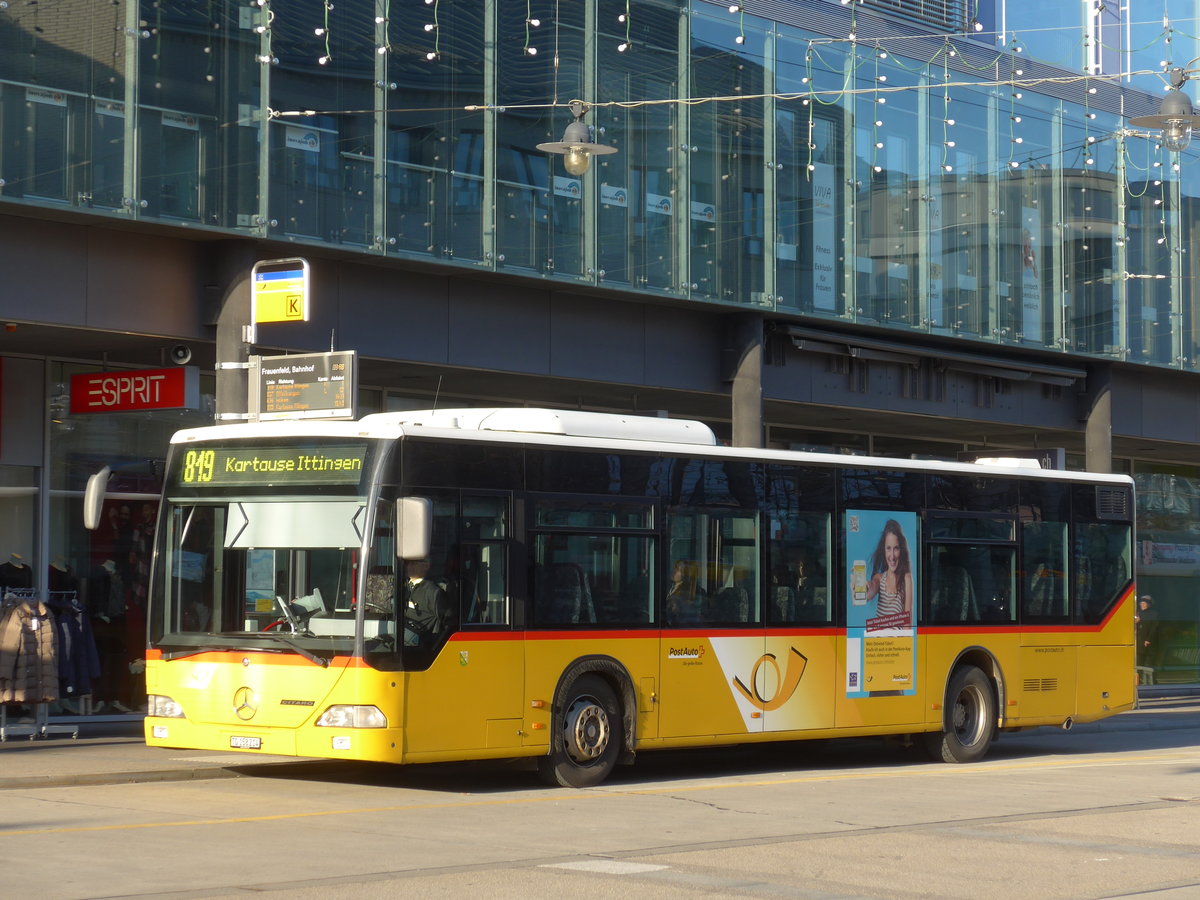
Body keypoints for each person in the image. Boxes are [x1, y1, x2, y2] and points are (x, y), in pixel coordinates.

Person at [863, 519, 913, 616]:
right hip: (879, 631)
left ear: (901, 550)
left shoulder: (906, 579)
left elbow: (907, 625)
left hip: (898, 632)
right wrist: (864, 588)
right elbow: (871, 591)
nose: (892, 556)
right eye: (888, 548)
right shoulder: (879, 578)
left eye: (896, 548)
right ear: (884, 550)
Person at [402, 558, 449, 648]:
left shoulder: (433, 593)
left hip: (418, 646)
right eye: (408, 563)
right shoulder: (402, 586)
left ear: (426, 566)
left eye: (413, 563)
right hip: (399, 636)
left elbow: (448, 622)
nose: (408, 566)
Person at [664, 560, 702, 625]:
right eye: (675, 568)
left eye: (678, 570)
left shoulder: (684, 593)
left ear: (685, 575)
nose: (674, 571)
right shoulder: (670, 586)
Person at [1135, 595, 1159, 668]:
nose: (1142, 604)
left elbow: (1154, 628)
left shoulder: (1154, 614)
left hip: (1148, 642)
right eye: (1141, 603)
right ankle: (1139, 678)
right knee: (1139, 662)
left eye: (1144, 603)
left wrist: (1148, 639)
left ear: (1149, 604)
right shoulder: (1139, 613)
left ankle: (1150, 678)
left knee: (1150, 663)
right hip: (1139, 641)